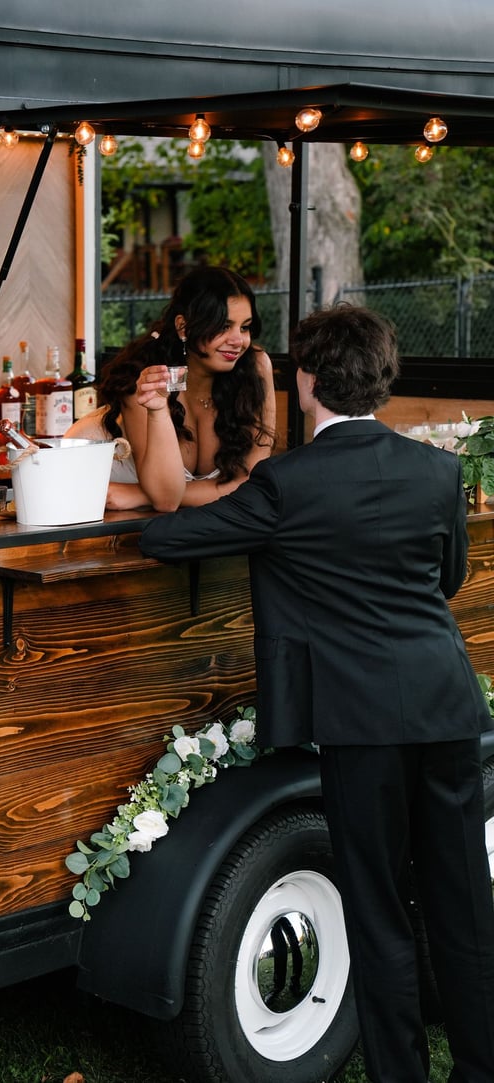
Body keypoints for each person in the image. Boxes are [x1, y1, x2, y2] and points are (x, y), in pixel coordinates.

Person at [139, 303, 494, 1083]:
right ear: (381, 380)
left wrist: (157, 475)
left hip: (361, 724)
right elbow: (449, 580)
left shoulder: (285, 484)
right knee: (463, 906)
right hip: (445, 708)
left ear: (306, 382)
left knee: (375, 912)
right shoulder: (437, 472)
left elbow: (167, 538)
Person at [66, 266, 276, 511]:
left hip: (162, 519)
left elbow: (253, 483)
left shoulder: (255, 367)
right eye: (223, 326)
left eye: (245, 327)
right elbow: (167, 500)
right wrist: (158, 411)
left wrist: (141, 495)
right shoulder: (147, 379)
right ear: (183, 328)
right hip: (83, 501)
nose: (238, 340)